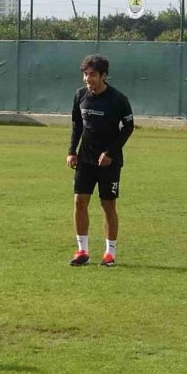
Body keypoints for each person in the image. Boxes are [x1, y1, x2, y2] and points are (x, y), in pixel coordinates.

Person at [66, 54, 135, 267]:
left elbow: (128, 127)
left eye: (93, 75)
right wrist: (72, 151)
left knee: (108, 205)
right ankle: (82, 251)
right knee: (79, 202)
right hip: (85, 159)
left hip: (109, 162)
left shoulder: (118, 99)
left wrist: (111, 153)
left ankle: (109, 253)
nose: (88, 79)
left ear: (104, 75)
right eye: (85, 74)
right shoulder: (80, 96)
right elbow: (77, 125)